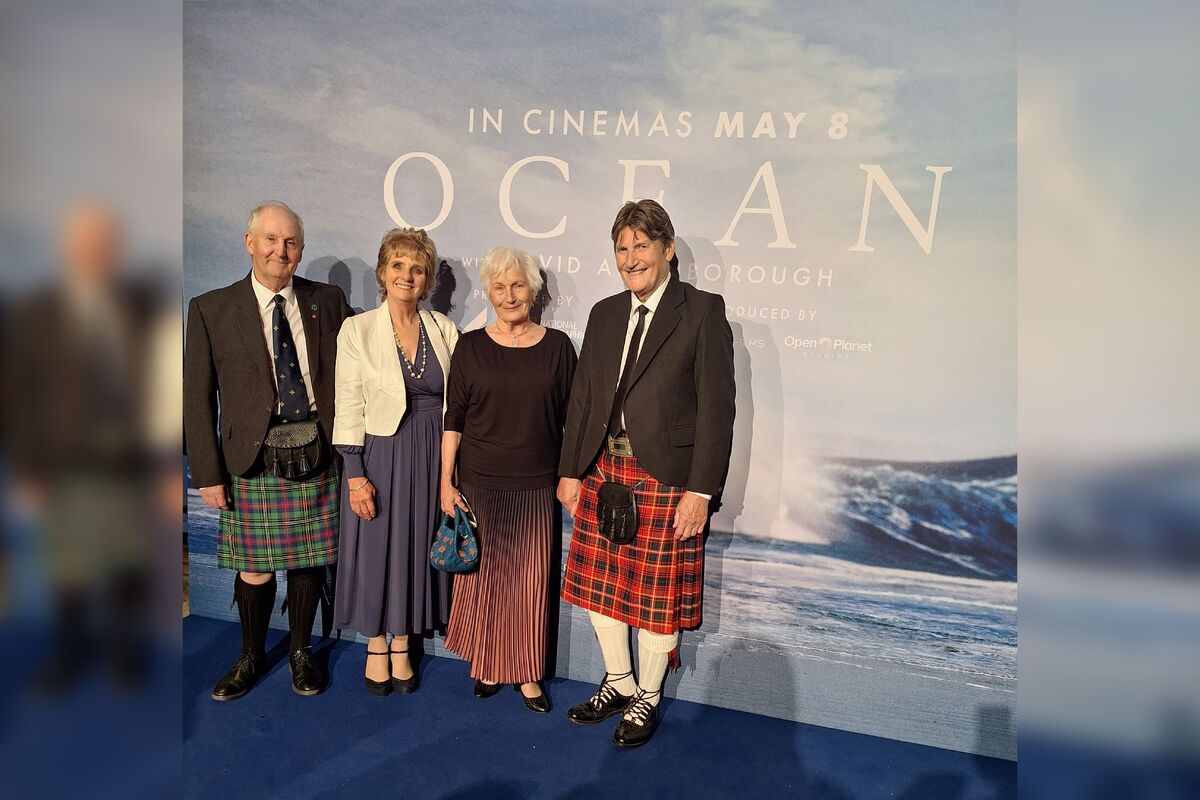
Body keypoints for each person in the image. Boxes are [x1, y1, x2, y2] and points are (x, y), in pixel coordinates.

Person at [557, 199, 735, 747]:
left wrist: (700, 491)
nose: (631, 258)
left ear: (668, 249)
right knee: (602, 589)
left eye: (641, 246)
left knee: (654, 597)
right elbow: (585, 397)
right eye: (622, 248)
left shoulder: (702, 311)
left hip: (667, 478)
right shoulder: (605, 313)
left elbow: (717, 408)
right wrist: (569, 471)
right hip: (603, 468)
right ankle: (617, 680)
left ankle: (648, 697)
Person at [184, 202, 352, 700]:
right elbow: (197, 398)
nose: (282, 251)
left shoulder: (329, 300)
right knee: (254, 565)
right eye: (272, 240)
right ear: (250, 242)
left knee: (308, 560)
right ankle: (251, 656)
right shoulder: (211, 308)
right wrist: (207, 473)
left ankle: (301, 654)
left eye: (292, 242)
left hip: (315, 449)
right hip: (252, 458)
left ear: (301, 248)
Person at [440, 246, 577, 713]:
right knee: (485, 583)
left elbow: (572, 422)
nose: (509, 294)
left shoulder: (558, 348)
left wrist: (569, 477)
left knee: (530, 583)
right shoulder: (471, 346)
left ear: (533, 291)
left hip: (537, 484)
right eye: (499, 287)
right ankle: (486, 665)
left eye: (518, 285)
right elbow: (453, 419)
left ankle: (528, 674)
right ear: (489, 292)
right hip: (479, 482)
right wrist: (445, 483)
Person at [331, 228, 459, 695]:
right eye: (398, 266)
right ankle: (376, 643)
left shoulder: (444, 330)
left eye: (417, 268)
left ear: (427, 280)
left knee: (414, 544)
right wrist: (355, 475)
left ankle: (403, 641)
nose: (407, 275)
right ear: (383, 273)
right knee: (378, 546)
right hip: (379, 453)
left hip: (430, 453)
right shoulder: (357, 329)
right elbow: (347, 403)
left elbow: (459, 405)